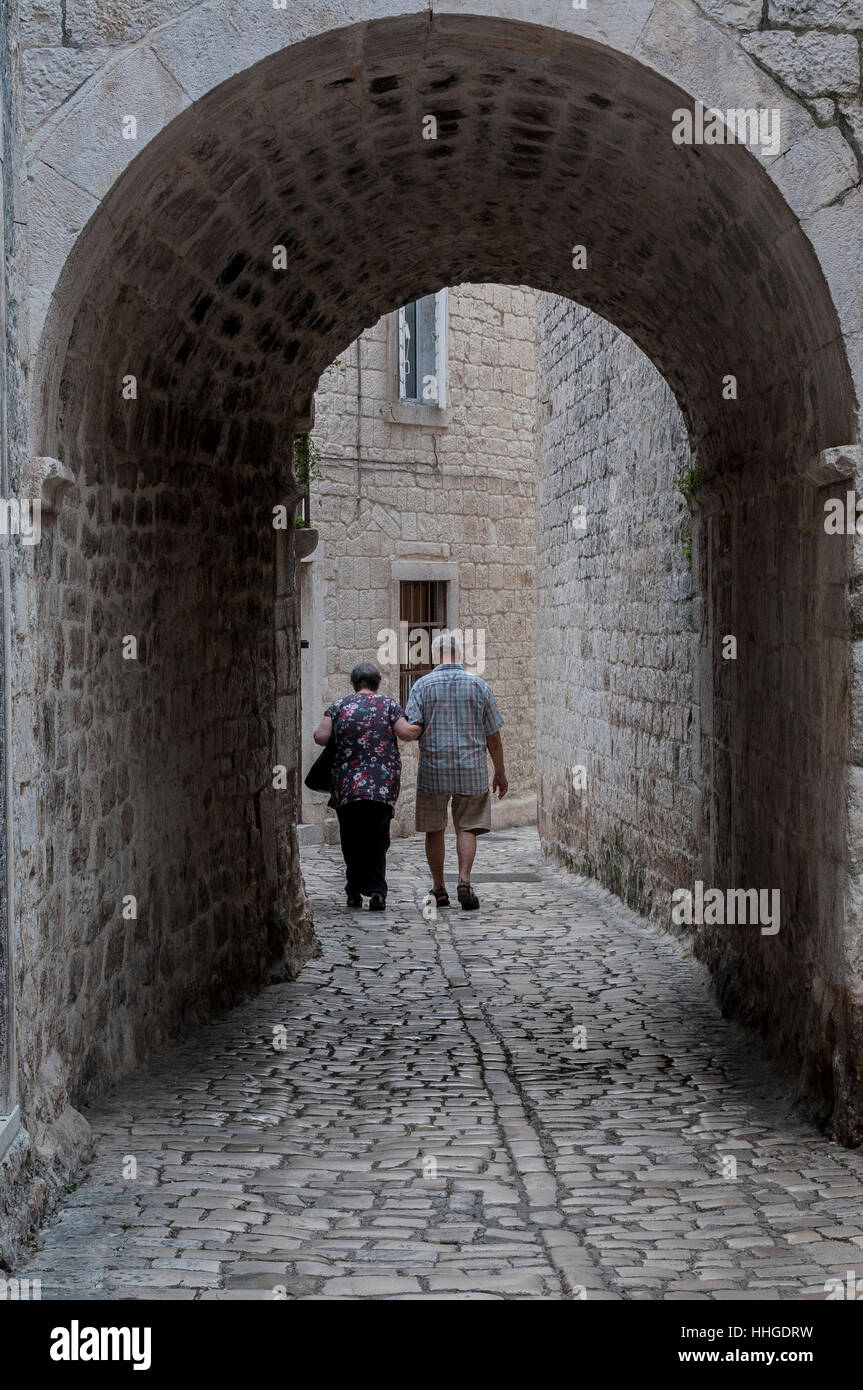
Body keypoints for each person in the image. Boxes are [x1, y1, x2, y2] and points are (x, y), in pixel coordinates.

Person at [404, 633, 508, 911]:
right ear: (458, 655)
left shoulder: (422, 686)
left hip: (433, 769)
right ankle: (464, 880)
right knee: (468, 825)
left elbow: (413, 729)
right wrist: (500, 771)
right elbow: (493, 737)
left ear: (435, 656)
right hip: (470, 767)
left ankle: (439, 888)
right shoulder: (479, 686)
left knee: (434, 828)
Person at [313, 661, 421, 910]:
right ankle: (377, 893)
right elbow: (406, 733)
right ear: (378, 683)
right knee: (377, 839)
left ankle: (353, 893)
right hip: (381, 787)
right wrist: (421, 725)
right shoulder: (389, 705)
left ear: (353, 683)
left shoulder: (338, 706)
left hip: (347, 787)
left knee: (351, 839)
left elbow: (320, 737)